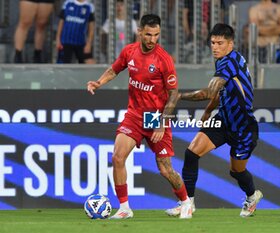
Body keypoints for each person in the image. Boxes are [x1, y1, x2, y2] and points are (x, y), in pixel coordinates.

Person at [87, 14, 192, 219]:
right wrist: (99, 82)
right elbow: (114, 69)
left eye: (156, 35)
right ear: (140, 32)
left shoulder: (164, 60)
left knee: (165, 169)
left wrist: (162, 123)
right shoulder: (129, 51)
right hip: (134, 115)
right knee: (117, 157)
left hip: (155, 118)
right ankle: (125, 208)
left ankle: (185, 201)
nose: (152, 40)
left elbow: (173, 94)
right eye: (148, 34)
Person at [165, 23, 263, 218]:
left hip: (243, 128)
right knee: (192, 153)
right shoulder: (223, 61)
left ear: (231, 44)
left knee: (236, 172)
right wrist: (209, 111)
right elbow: (219, 92)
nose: (215, 47)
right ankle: (188, 203)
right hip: (223, 120)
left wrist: (179, 96)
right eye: (212, 42)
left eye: (220, 43)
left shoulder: (229, 62)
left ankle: (252, 196)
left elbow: (209, 91)